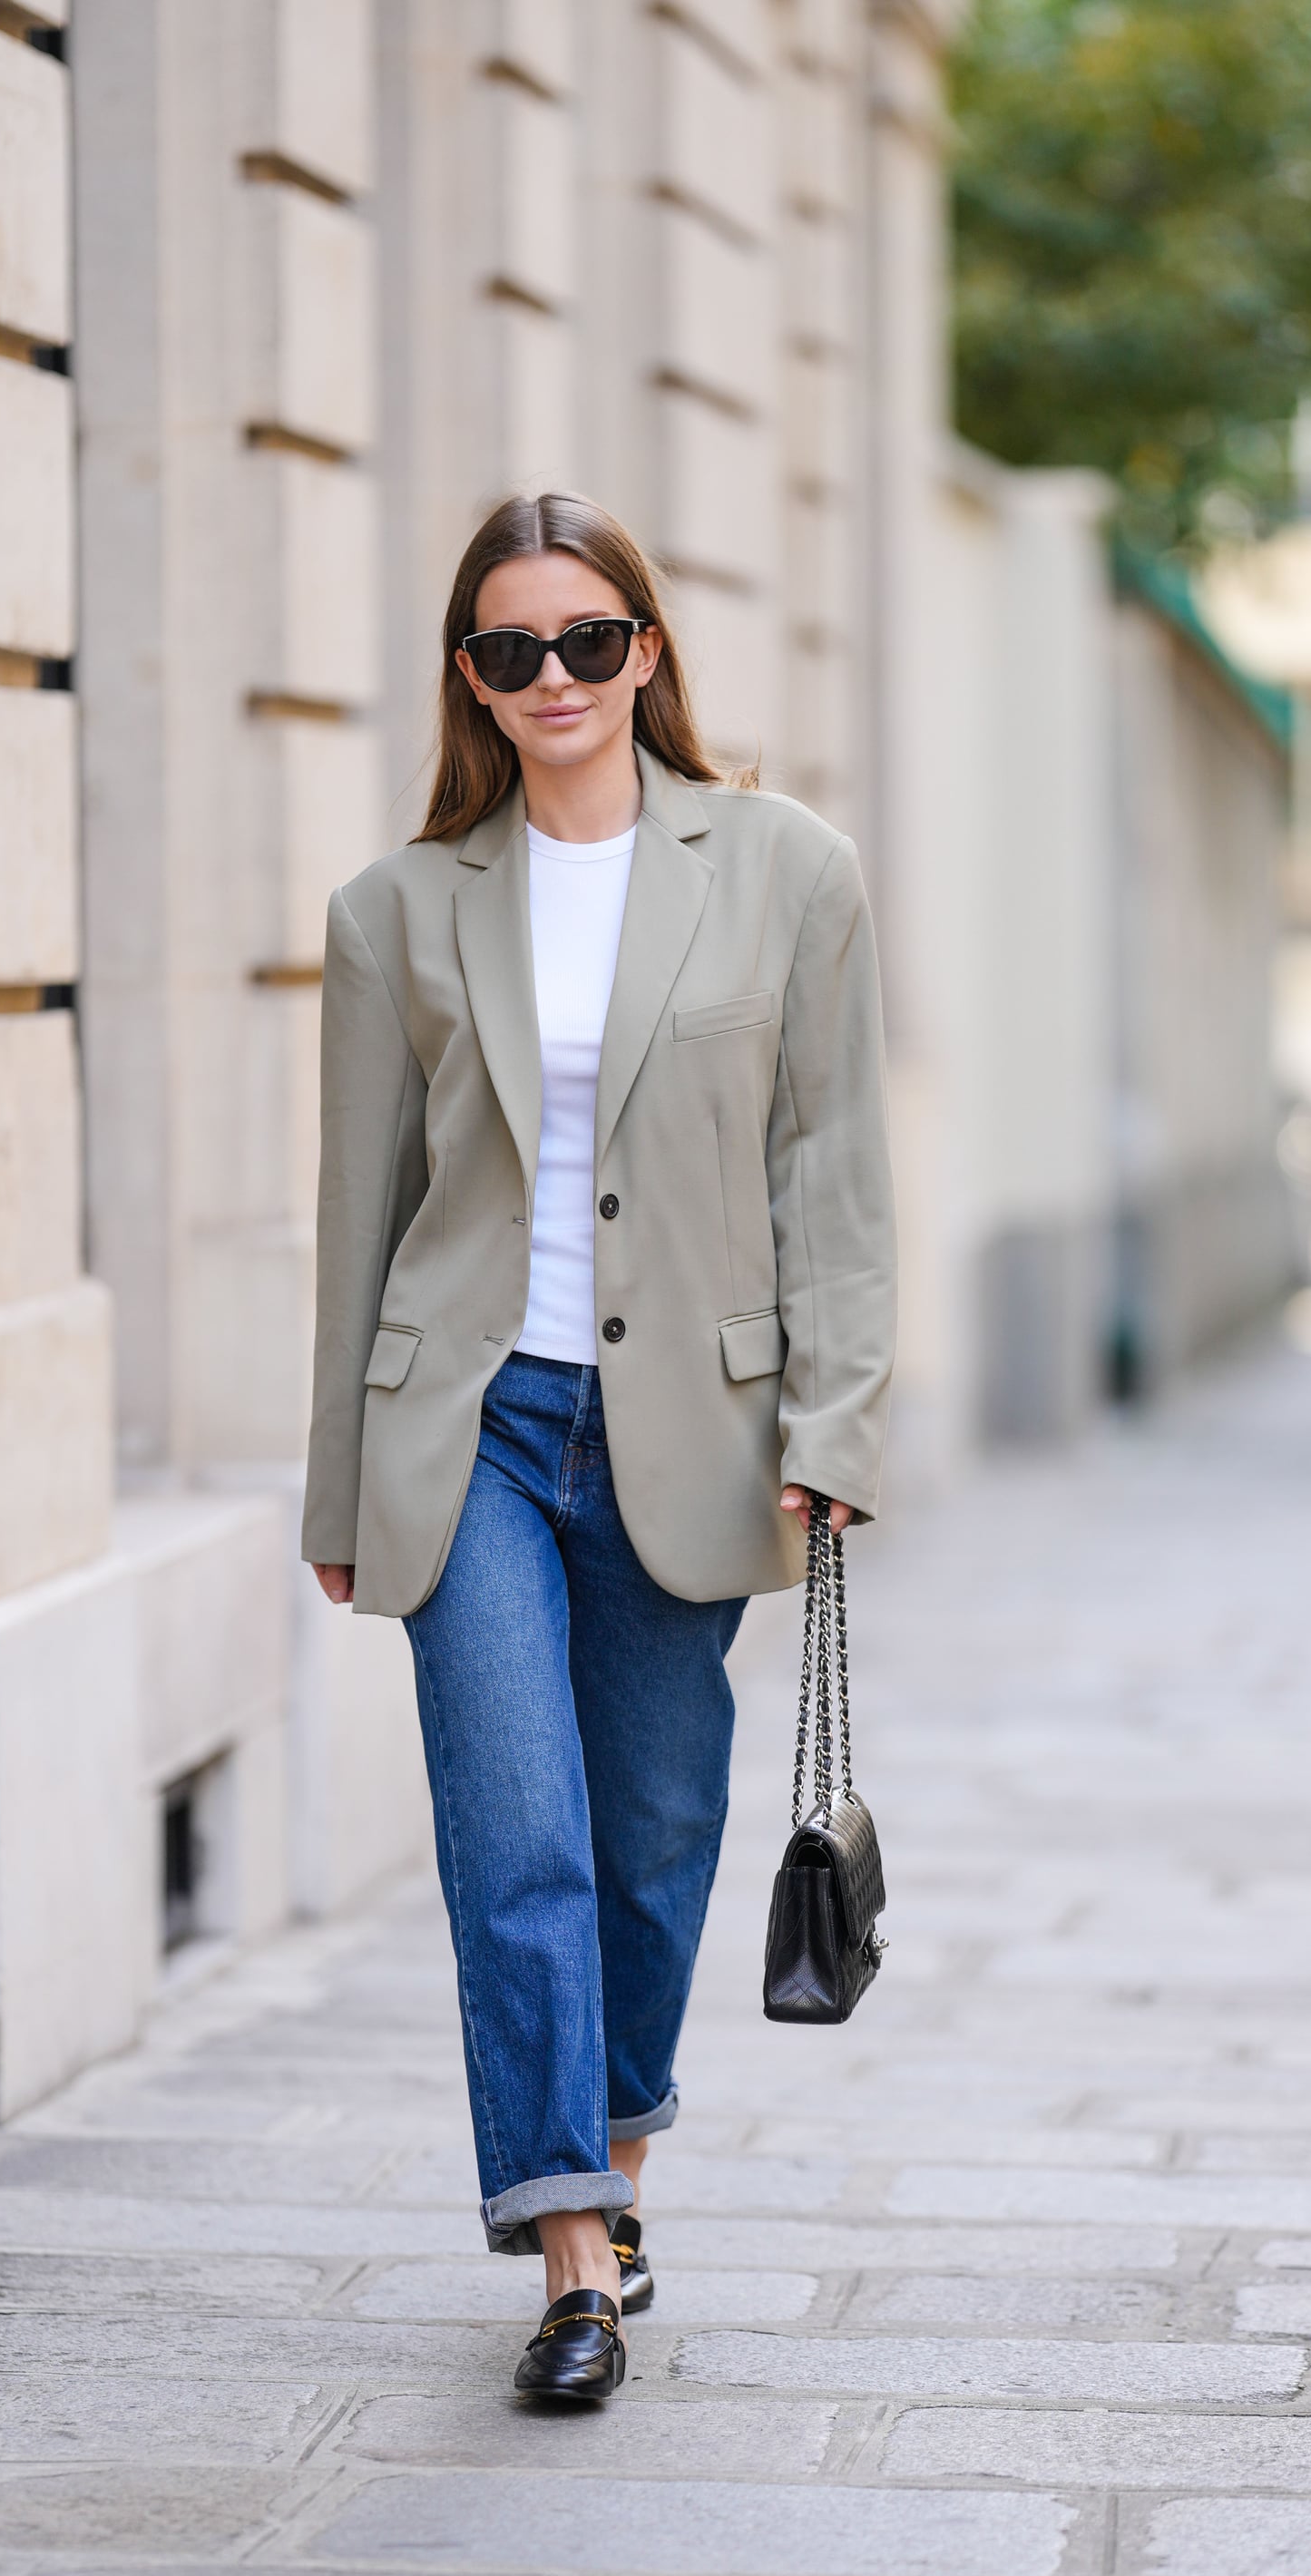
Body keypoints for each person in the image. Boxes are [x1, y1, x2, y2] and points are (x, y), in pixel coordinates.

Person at [302, 491, 895, 2401]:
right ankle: (566, 2251)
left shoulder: (786, 870)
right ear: (468, 677)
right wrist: (336, 1477)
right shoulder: (399, 912)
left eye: (583, 640)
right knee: (522, 1836)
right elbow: (359, 1210)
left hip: (688, 1426)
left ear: (645, 649)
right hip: (467, 1423)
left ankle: (618, 2162)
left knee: (651, 1840)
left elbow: (831, 1174)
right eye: (506, 650)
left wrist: (834, 1420)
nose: (549, 678)